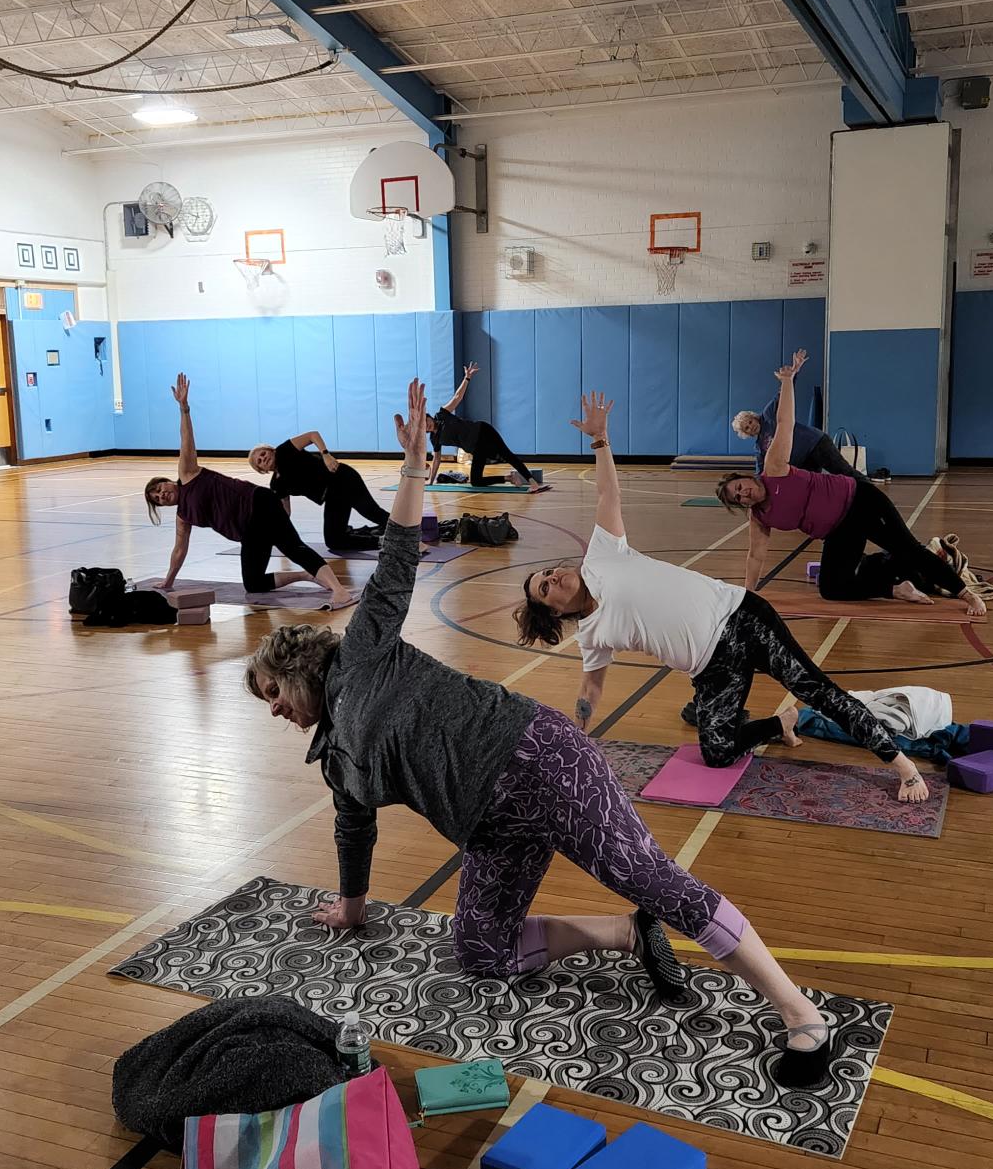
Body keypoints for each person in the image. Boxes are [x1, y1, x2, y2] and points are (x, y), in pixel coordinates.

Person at [245, 378, 847, 1086]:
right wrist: (351, 908)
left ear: (295, 665)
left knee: (652, 878)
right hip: (488, 827)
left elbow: (400, 557)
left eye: (272, 693)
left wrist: (411, 467)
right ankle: (626, 933)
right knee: (482, 951)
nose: (275, 711)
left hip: (535, 758)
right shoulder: (334, 760)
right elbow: (354, 831)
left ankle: (800, 1013)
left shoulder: (363, 650)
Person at [513, 389, 930, 805]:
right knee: (717, 751)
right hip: (712, 669)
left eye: (548, 572)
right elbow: (590, 690)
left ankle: (902, 766)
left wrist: (600, 440)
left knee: (818, 691)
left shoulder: (602, 556)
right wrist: (578, 736)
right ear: (553, 612)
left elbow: (608, 494)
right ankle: (780, 724)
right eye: (545, 587)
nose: (553, 577)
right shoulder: (591, 636)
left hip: (741, 619)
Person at [717, 351, 983, 615]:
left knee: (907, 549)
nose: (743, 494)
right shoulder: (759, 516)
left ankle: (966, 594)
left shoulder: (773, 467)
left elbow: (784, 421)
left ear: (746, 478)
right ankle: (896, 589)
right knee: (832, 588)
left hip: (859, 501)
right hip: (838, 532)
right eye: (737, 498)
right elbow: (756, 556)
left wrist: (788, 380)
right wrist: (747, 595)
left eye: (739, 487)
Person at [147, 374, 352, 607]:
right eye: (157, 499)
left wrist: (184, 408)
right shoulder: (183, 517)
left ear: (168, 481)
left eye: (159, 488)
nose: (161, 495)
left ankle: (339, 590)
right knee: (253, 583)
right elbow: (179, 550)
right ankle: (307, 575)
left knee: (294, 549)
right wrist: (168, 581)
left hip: (259, 504)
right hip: (248, 532)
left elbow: (186, 440)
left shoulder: (187, 473)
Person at [247, 429, 389, 553]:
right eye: (259, 461)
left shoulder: (284, 450)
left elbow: (312, 435)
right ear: (262, 470)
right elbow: (286, 512)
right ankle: (379, 540)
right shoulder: (276, 484)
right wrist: (278, 534)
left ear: (271, 450)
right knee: (334, 541)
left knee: (372, 512)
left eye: (263, 453)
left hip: (342, 478)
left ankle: (401, 531)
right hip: (333, 497)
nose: (263, 458)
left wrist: (326, 455)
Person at [429, 362, 544, 491]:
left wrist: (467, 378)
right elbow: (436, 459)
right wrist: (431, 482)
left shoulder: (441, 415)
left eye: (425, 421)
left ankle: (532, 482)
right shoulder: (434, 439)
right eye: (423, 427)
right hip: (476, 449)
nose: (426, 425)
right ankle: (508, 478)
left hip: (482, 431)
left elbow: (457, 397)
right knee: (476, 481)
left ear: (428, 416)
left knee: (507, 455)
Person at [732, 395, 865, 480]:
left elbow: (783, 394)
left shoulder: (768, 414)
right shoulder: (759, 447)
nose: (751, 427)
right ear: (746, 434)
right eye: (746, 428)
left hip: (815, 443)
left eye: (750, 422)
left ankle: (870, 490)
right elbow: (761, 471)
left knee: (844, 472)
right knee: (813, 486)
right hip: (803, 463)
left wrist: (790, 375)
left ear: (753, 417)